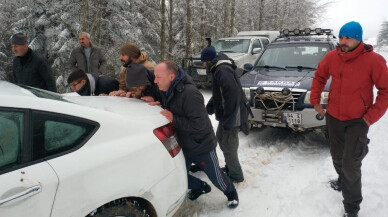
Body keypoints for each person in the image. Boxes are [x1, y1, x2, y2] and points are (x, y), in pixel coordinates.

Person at [310, 21, 388, 217]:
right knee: (337, 156)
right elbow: (319, 76)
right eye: (341, 37)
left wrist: (369, 118)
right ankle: (341, 180)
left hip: (358, 121)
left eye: (348, 38)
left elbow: (386, 91)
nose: (343, 42)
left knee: (351, 164)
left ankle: (351, 208)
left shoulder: (374, 61)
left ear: (358, 39)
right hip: (334, 118)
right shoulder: (332, 57)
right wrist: (315, 100)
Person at [153, 60, 239, 208]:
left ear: (171, 76)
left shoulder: (190, 94)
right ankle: (200, 187)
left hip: (201, 144)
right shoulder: (167, 90)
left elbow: (198, 124)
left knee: (216, 176)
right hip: (181, 143)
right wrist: (158, 103)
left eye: (158, 77)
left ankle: (231, 194)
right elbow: (175, 108)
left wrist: (174, 119)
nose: (155, 81)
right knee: (179, 176)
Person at [200, 46, 249, 183]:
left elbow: (232, 96)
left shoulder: (222, 71)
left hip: (233, 114)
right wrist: (209, 108)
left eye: (204, 62)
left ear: (209, 60)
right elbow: (219, 93)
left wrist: (228, 121)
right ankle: (230, 167)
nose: (203, 65)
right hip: (227, 113)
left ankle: (236, 175)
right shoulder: (218, 69)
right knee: (221, 139)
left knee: (229, 144)